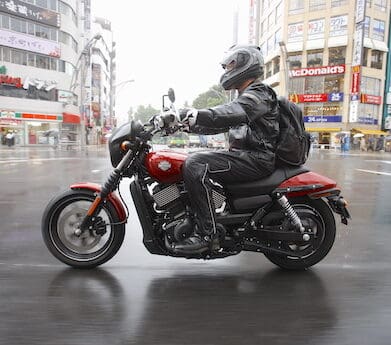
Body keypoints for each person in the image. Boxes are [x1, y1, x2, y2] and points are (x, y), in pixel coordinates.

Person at [172, 45, 280, 254]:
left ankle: (207, 234)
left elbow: (231, 112)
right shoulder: (244, 97)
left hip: (257, 158)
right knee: (189, 159)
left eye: (231, 65)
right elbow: (220, 123)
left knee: (195, 163)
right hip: (244, 156)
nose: (227, 70)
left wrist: (195, 113)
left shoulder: (259, 93)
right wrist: (184, 125)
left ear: (246, 65)